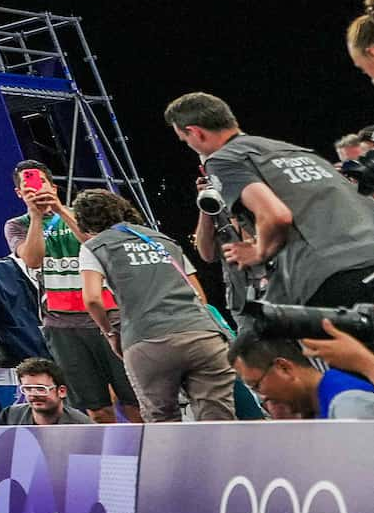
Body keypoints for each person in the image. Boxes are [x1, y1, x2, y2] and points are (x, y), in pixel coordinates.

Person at [168, 92, 374, 306]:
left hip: (333, 276)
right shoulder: (297, 151)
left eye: (185, 141)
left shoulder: (224, 159)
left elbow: (276, 215)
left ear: (195, 132)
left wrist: (259, 252)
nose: (189, 146)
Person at [70, 189, 234, 422]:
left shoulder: (94, 246)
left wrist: (110, 333)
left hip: (147, 340)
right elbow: (198, 294)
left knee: (162, 421)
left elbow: (93, 299)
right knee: (219, 418)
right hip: (202, 335)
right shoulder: (164, 240)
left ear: (83, 221)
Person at [10, 165, 136, 423]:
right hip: (63, 326)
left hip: (108, 316)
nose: (36, 189)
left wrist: (59, 210)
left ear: (53, 187)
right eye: (28, 187)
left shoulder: (80, 214)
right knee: (97, 410)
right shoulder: (16, 225)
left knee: (134, 401)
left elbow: (96, 244)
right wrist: (36, 216)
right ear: (19, 194)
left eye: (42, 182)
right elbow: (33, 259)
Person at [229, 325, 374, 420]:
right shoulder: (318, 405)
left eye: (256, 386)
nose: (263, 399)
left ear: (283, 368)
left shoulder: (348, 405)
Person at [0, 357, 95, 426]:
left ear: (61, 391)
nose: (33, 394)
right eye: (28, 389)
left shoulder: (82, 426)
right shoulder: (10, 416)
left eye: (41, 389)